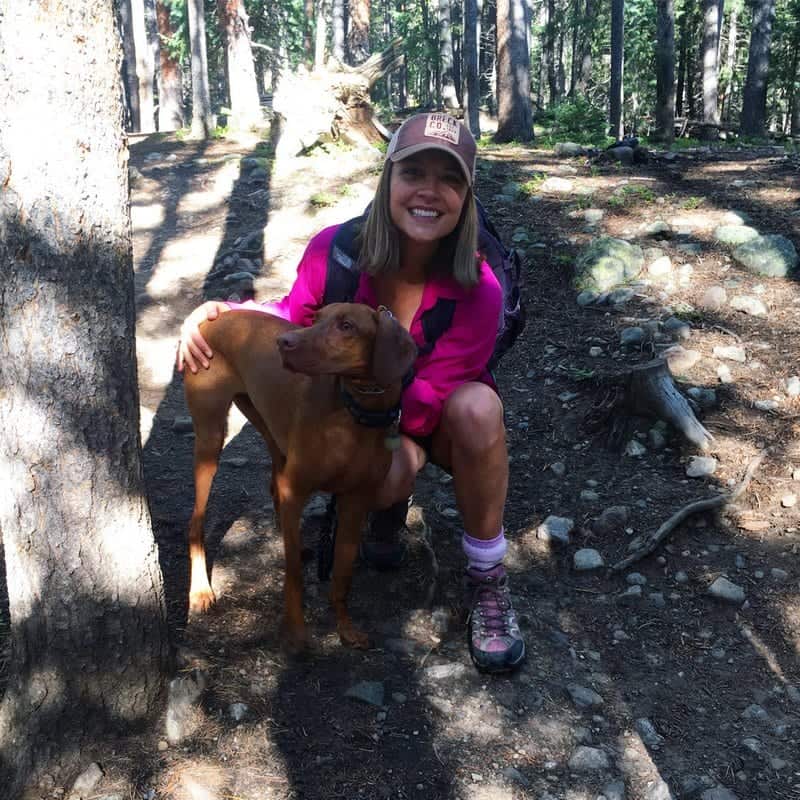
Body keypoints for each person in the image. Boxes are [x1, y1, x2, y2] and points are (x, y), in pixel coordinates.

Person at [177, 112, 525, 674]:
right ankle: (373, 515)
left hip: (422, 411)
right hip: (364, 407)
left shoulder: (479, 286)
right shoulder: (335, 251)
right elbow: (295, 319)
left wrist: (391, 450)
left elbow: (435, 389)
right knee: (368, 471)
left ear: (466, 195)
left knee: (475, 411)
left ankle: (487, 579)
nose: (429, 192)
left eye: (450, 178)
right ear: (388, 178)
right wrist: (220, 311)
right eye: (414, 172)